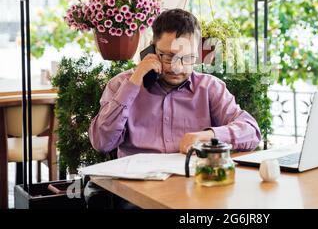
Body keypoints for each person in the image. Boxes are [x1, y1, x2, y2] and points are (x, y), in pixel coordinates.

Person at [89, 8, 261, 158]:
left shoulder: (210, 88)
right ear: (151, 49)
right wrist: (134, 83)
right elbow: (102, 143)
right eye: (168, 56)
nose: (177, 67)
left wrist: (208, 136)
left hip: (193, 184)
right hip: (137, 189)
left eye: (187, 58)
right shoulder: (120, 85)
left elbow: (251, 132)